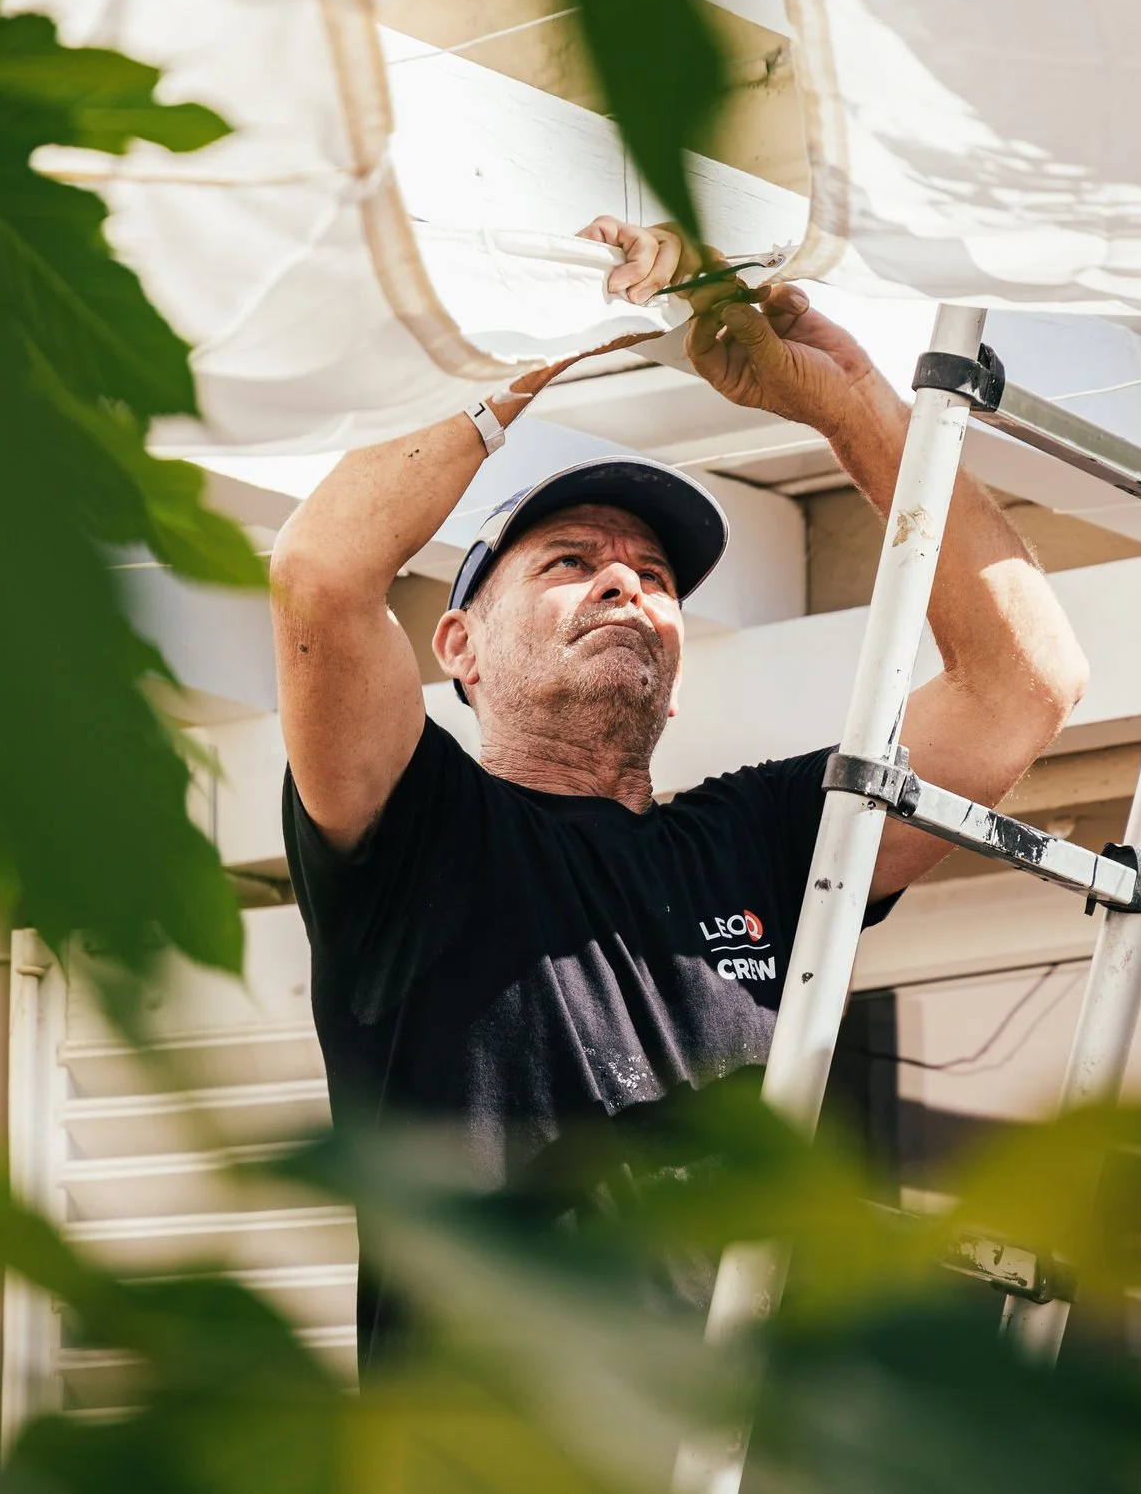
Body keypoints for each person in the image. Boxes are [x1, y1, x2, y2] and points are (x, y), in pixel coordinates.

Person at [266, 218, 1090, 1369]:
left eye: (653, 578)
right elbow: (320, 572)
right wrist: (544, 322)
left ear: (679, 663)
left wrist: (851, 408)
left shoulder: (761, 841)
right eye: (569, 561)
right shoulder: (414, 828)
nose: (624, 579)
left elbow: (1023, 682)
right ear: (456, 644)